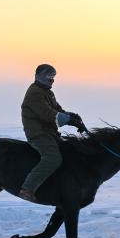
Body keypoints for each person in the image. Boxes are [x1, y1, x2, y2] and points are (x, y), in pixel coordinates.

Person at [18, 64, 87, 201]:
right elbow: (47, 114)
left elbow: (57, 110)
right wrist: (70, 121)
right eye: (49, 76)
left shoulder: (48, 93)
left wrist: (72, 116)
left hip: (50, 133)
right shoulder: (35, 93)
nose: (52, 80)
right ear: (39, 76)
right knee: (53, 158)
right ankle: (27, 189)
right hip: (38, 134)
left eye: (53, 76)